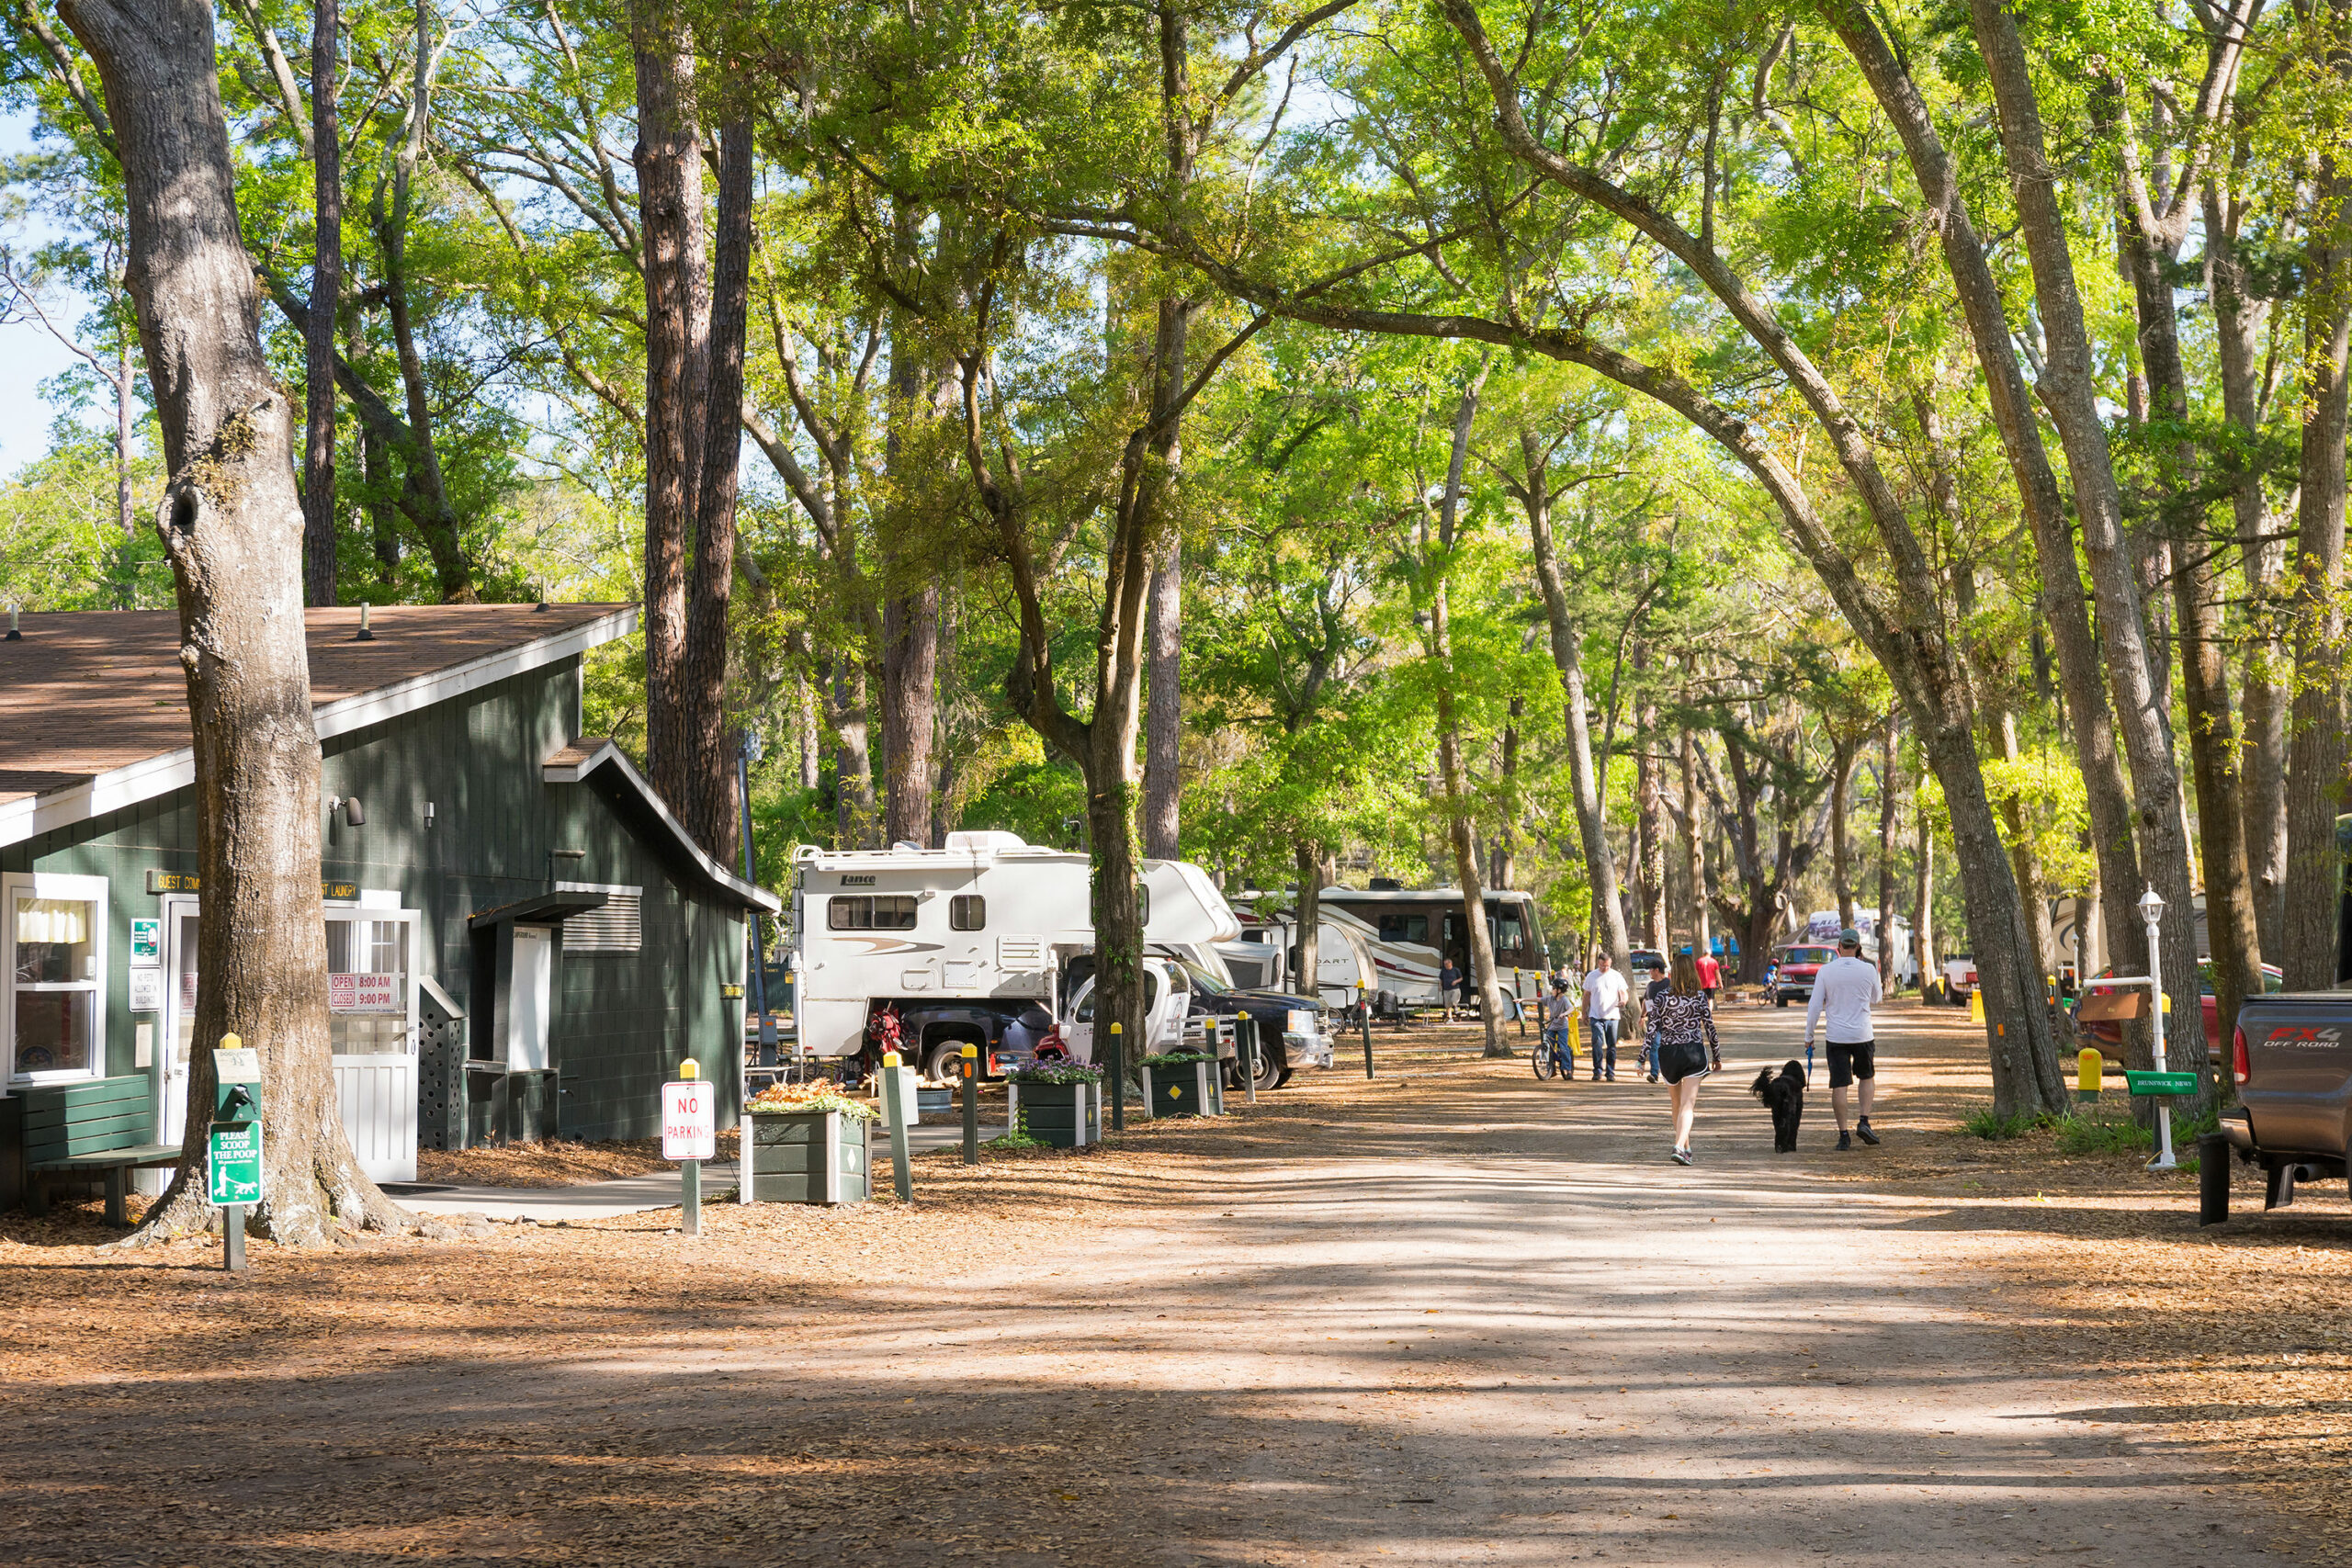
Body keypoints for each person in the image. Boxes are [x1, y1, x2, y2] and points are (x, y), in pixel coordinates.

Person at [1804, 926, 1885, 1150]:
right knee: (1866, 1076)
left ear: (1838, 947)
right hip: (1862, 1034)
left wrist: (1809, 1036)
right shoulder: (1869, 970)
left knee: (1839, 1084)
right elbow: (1877, 998)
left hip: (1837, 1036)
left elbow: (1814, 1007)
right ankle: (1864, 1121)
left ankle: (1843, 1135)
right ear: (1858, 947)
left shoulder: (1826, 971)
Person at [1645, 950, 1722, 1163]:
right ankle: (1679, 1145)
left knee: (1676, 1104)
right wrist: (1717, 1056)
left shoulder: (1661, 997)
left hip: (1668, 1054)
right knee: (1687, 1104)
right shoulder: (1699, 997)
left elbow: (1651, 1030)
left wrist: (1641, 1057)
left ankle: (1685, 1149)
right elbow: (1710, 1029)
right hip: (1692, 1052)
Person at [1581, 949, 1631, 1082]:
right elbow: (1586, 995)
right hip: (1596, 1015)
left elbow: (1624, 992)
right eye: (1603, 965)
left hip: (1613, 1016)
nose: (1605, 968)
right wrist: (1584, 1012)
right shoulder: (1591, 976)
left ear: (1611, 963)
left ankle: (1610, 1072)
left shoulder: (1616, 976)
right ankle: (1597, 1071)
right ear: (1599, 963)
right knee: (1597, 1043)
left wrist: (1623, 1000)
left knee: (1611, 1046)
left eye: (1608, 965)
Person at [1537, 979, 1577, 1076]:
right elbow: (1539, 999)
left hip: (1562, 1027)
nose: (1552, 990)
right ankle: (1551, 1069)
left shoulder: (1564, 1000)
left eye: (1554, 988)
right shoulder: (1551, 999)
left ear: (1559, 990)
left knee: (1563, 1048)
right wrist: (1522, 1000)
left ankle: (1568, 1071)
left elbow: (1571, 1008)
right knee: (1548, 1047)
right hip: (1552, 1025)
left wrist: (1564, 1014)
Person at [1438, 956, 1464, 1021]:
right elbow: (1441, 979)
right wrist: (1440, 985)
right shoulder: (1443, 971)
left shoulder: (1456, 970)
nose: (1445, 965)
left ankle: (1455, 1006)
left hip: (1455, 989)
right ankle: (1450, 1018)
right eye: (1444, 964)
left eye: (1446, 964)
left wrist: (1455, 981)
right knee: (1447, 1005)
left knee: (1453, 1000)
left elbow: (1461, 978)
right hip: (1446, 989)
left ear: (1450, 963)